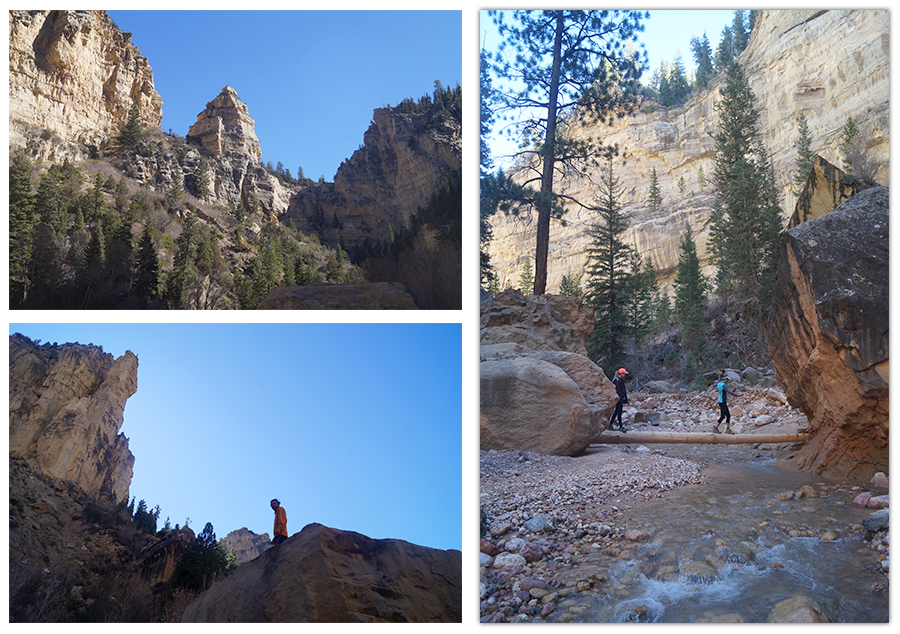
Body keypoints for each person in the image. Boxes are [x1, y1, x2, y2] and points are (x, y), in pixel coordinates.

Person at [609, 368, 629, 432]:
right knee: (618, 412)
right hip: (619, 399)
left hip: (619, 399)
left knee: (617, 412)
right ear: (621, 373)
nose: (625, 375)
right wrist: (621, 400)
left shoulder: (619, 380)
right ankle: (620, 426)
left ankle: (611, 424)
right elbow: (619, 391)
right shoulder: (617, 381)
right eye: (624, 374)